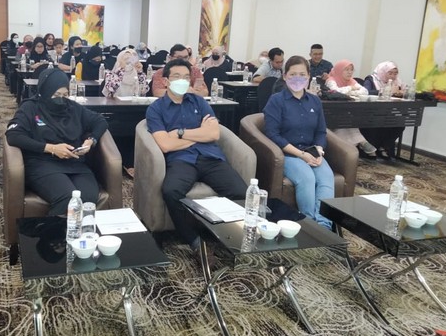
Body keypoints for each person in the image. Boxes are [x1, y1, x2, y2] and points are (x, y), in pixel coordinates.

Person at [146, 58, 248, 250]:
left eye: (186, 77)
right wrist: (199, 134)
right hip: (181, 160)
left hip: (211, 157)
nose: (182, 81)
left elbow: (214, 134)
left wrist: (179, 133)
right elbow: (165, 145)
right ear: (166, 81)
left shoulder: (200, 102)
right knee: (171, 191)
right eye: (177, 76)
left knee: (241, 193)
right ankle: (193, 240)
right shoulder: (156, 109)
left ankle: (226, 234)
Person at [5, 69, 108, 216]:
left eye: (65, 95)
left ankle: (78, 232)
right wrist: (51, 148)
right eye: (56, 95)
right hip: (42, 163)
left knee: (88, 199)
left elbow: (100, 121)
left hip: (75, 163)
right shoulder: (30, 108)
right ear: (45, 92)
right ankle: (49, 232)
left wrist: (91, 140)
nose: (61, 99)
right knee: (67, 197)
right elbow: (13, 135)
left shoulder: (73, 108)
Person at [263, 55, 334, 228]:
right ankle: (309, 224)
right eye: (293, 74)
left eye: (302, 75)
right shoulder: (276, 100)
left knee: (326, 178)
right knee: (307, 178)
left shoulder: (315, 101)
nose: (297, 79)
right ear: (285, 76)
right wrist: (301, 155)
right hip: (289, 154)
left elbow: (321, 131)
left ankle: (324, 226)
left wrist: (319, 150)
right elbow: (273, 134)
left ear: (309, 76)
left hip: (312, 151)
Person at [326, 59, 377, 158]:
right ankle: (361, 142)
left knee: (349, 121)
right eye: (346, 70)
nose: (350, 72)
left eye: (351, 70)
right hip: (331, 112)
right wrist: (350, 88)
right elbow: (335, 92)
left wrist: (350, 91)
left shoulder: (351, 80)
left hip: (346, 112)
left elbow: (365, 91)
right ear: (339, 70)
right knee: (346, 122)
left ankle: (352, 149)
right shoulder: (331, 80)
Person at [361, 61, 406, 159]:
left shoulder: (397, 82)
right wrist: (384, 91)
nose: (393, 76)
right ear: (383, 72)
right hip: (371, 112)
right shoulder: (371, 79)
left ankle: (384, 147)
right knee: (380, 122)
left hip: (388, 112)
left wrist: (401, 92)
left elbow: (403, 93)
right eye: (390, 73)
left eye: (395, 73)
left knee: (400, 123)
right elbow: (366, 92)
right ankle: (373, 149)